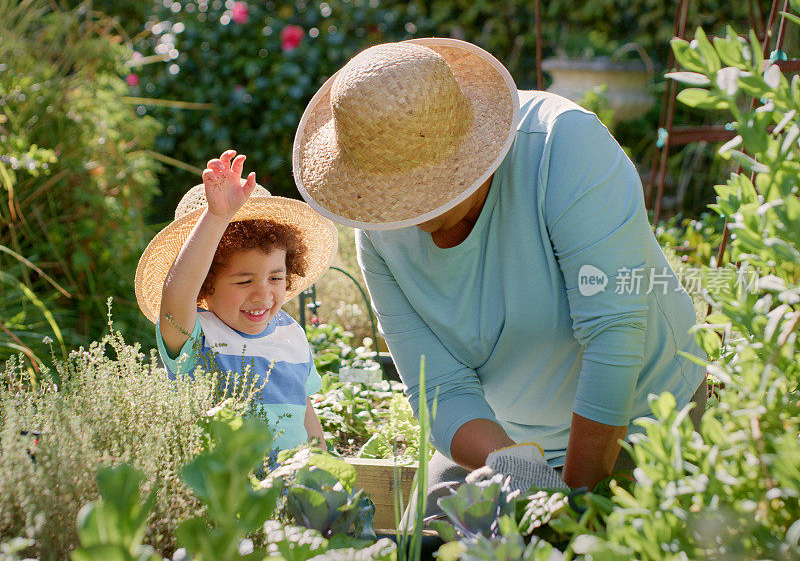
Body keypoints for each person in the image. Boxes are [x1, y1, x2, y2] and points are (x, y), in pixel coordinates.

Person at [291, 38, 707, 500]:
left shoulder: (562, 146)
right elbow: (440, 389)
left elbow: (613, 334)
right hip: (504, 439)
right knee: (426, 535)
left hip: (640, 416)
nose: (410, 216)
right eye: (397, 197)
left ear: (473, 148)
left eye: (429, 190)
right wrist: (515, 465)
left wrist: (571, 502)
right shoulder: (377, 226)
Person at [134, 150, 338, 453]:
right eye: (244, 281)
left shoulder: (290, 333)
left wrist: (324, 474)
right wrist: (217, 218)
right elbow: (177, 294)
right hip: (226, 497)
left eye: (276, 278)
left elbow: (305, 412)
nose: (263, 295)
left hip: (291, 495)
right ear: (205, 285)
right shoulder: (196, 336)